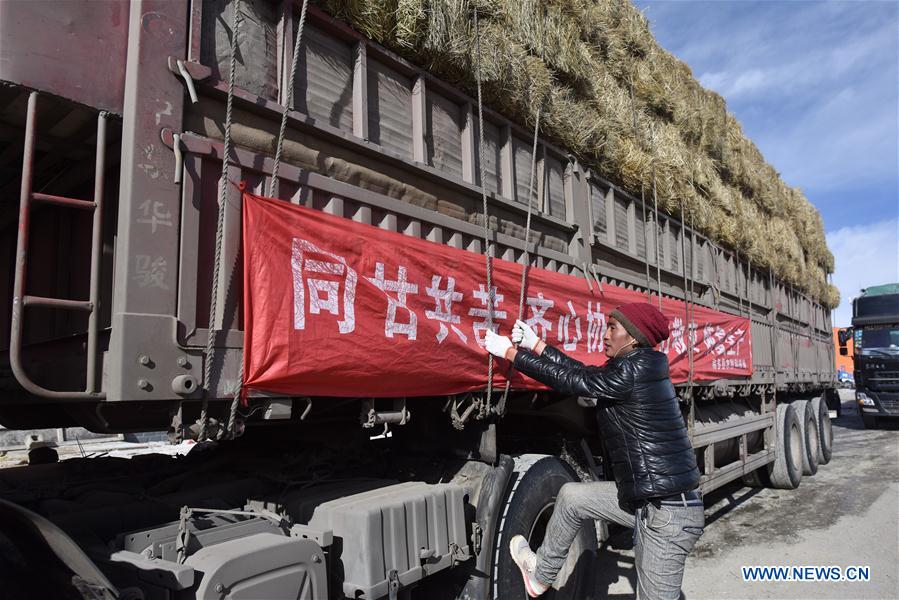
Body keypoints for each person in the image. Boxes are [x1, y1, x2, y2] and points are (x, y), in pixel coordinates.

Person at [484, 302, 703, 599]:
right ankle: (540, 576)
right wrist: (536, 345)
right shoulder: (635, 365)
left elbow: (576, 381)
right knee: (572, 497)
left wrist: (511, 354)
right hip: (645, 501)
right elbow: (583, 372)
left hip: (667, 514)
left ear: (634, 337)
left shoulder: (634, 371)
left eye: (613, 328)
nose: (605, 335)